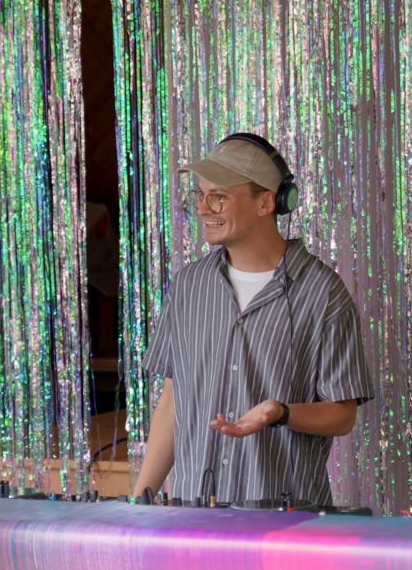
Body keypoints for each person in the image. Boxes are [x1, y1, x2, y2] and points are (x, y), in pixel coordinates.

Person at [132, 134, 374, 507]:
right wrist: (139, 503)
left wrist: (281, 413)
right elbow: (172, 402)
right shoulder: (188, 285)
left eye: (219, 196)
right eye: (199, 195)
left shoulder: (323, 292)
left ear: (267, 202)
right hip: (193, 520)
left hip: (285, 522)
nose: (203, 209)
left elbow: (342, 416)